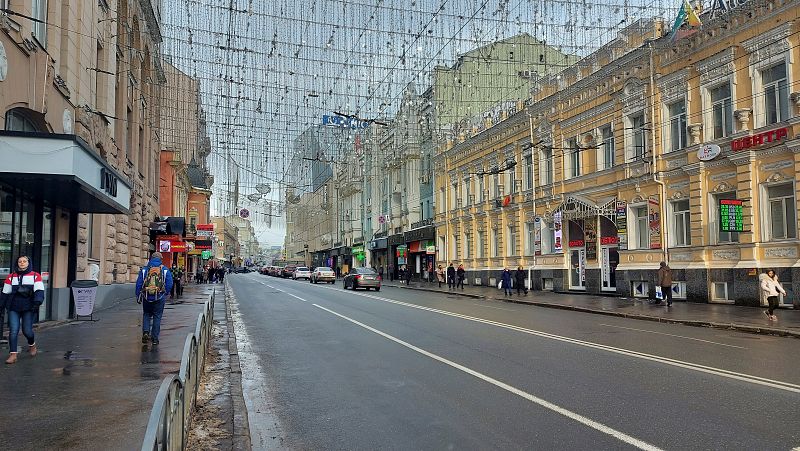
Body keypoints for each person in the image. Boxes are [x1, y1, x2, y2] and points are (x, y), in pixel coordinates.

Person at [2, 256, 45, 364]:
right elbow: (5, 293)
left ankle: (32, 344)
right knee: (13, 331)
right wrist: (1, 306)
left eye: (24, 261)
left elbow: (39, 291)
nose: (22, 263)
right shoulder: (11, 276)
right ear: (17, 263)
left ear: (28, 263)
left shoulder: (35, 276)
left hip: (28, 307)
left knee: (27, 331)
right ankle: (13, 355)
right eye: (20, 261)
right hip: (13, 307)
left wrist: (37, 303)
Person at [136, 252, 174, 346]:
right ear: (161, 259)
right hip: (159, 297)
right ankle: (154, 339)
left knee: (146, 314)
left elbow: (139, 284)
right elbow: (169, 283)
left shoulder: (145, 270)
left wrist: (138, 296)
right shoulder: (164, 270)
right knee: (157, 316)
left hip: (146, 296)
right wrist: (165, 293)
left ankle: (145, 332)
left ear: (151, 259)